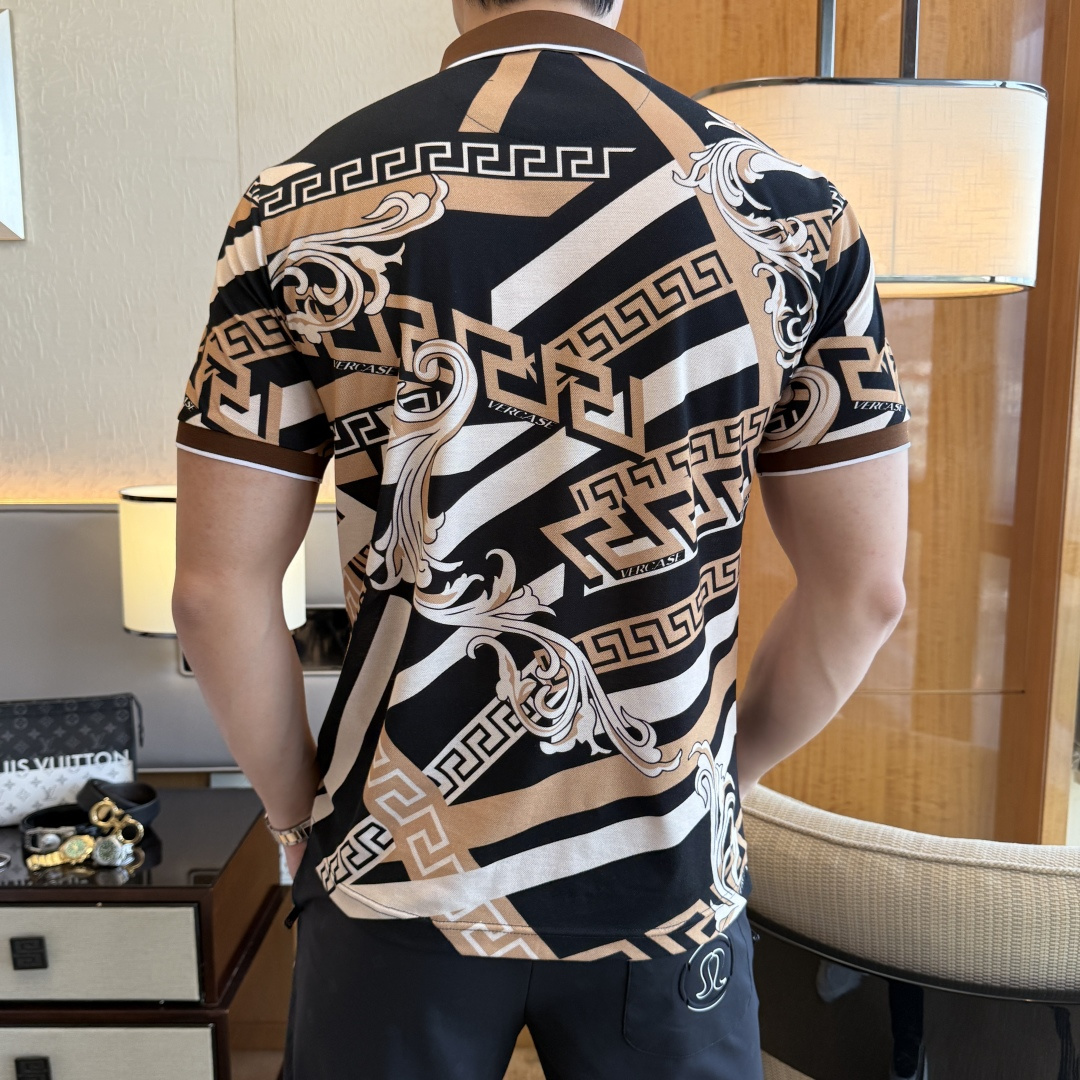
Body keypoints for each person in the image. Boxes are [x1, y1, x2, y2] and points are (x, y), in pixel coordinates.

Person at [171, 0, 909, 1076]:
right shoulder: (795, 215)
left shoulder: (298, 206)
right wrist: (712, 784)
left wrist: (301, 822)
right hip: (667, 883)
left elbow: (214, 595)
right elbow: (866, 593)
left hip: (393, 876)